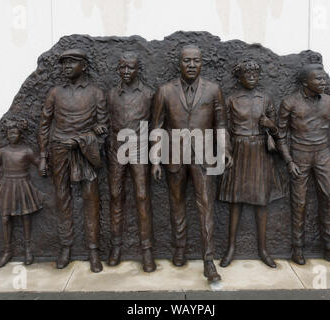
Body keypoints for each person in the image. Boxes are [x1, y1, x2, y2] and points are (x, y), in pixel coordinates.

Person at [151, 45, 233, 282]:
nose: (190, 65)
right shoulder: (165, 91)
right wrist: (155, 159)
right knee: (176, 204)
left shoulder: (213, 90)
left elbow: (220, 124)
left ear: (201, 63)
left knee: (205, 206)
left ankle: (209, 261)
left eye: (195, 61)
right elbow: (157, 126)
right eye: (186, 61)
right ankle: (179, 248)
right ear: (179, 63)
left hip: (204, 156)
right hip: (174, 156)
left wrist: (225, 149)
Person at [277, 63, 330, 271]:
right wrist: (289, 161)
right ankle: (297, 248)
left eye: (324, 79)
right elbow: (281, 134)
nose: (324, 82)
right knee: (299, 202)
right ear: (305, 82)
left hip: (323, 154)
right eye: (318, 79)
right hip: (299, 154)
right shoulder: (290, 102)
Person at [38, 48, 109, 273]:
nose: (67, 66)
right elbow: (44, 124)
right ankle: (66, 247)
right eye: (64, 63)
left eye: (72, 62)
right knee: (62, 198)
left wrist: (86, 138)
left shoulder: (96, 93)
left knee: (91, 199)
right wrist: (42, 156)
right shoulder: (55, 93)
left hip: (86, 151)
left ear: (84, 66)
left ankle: (93, 250)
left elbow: (104, 128)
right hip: (60, 149)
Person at [219, 59, 284, 268]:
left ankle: (263, 250)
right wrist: (226, 152)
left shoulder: (265, 99)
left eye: (256, 75)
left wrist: (271, 125)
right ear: (239, 78)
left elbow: (278, 131)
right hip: (239, 149)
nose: (252, 78)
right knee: (236, 201)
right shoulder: (231, 100)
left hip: (260, 151)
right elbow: (225, 130)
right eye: (248, 75)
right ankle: (230, 249)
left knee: (261, 201)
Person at [105, 51, 156, 272]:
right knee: (116, 196)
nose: (126, 72)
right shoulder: (111, 95)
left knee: (142, 196)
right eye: (122, 67)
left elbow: (156, 127)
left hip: (140, 148)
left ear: (138, 70)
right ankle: (116, 246)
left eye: (131, 68)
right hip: (117, 148)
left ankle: (147, 250)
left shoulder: (148, 94)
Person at [0, 118, 42, 268]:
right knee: (5, 218)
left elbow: (39, 165)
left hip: (23, 185)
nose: (13, 135)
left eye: (15, 132)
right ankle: (7, 251)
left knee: (26, 216)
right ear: (7, 135)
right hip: (7, 185)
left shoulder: (27, 150)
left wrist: (44, 159)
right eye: (10, 133)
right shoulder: (2, 152)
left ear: (20, 134)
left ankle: (28, 250)